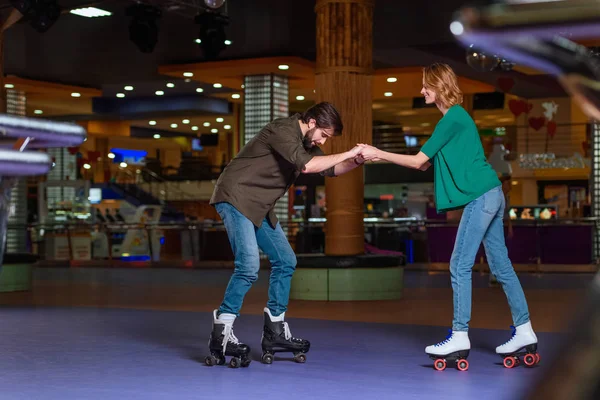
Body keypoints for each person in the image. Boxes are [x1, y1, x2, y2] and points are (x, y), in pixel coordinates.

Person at [357, 63, 539, 365]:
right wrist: (381, 155)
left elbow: (417, 162)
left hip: (481, 197)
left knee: (459, 264)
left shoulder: (452, 118)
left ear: (439, 85)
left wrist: (377, 153)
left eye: (425, 84)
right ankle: (525, 330)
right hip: (492, 193)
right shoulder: (455, 120)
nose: (421, 90)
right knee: (500, 266)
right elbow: (426, 164)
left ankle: (459, 335)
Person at [205, 102, 366, 367]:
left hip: (259, 206)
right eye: (324, 134)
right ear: (312, 122)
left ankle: (274, 332)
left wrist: (355, 161)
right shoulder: (282, 130)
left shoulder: (307, 143)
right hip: (236, 197)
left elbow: (329, 169)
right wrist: (348, 152)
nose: (323, 140)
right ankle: (221, 333)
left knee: (286, 261)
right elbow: (308, 167)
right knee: (248, 267)